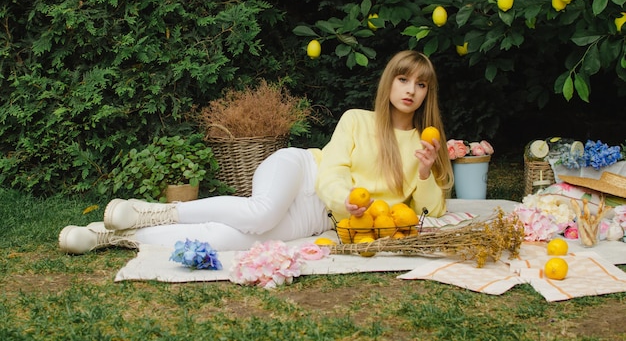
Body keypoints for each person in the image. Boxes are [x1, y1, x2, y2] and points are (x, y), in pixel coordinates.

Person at [59, 50, 454, 254]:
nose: (410, 90)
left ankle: (109, 237)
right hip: (303, 172)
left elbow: (430, 212)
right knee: (260, 213)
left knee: (229, 240)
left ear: (426, 94)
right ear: (389, 84)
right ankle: (153, 210)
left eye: (420, 85)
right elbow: (332, 171)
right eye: (403, 79)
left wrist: (423, 173)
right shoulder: (357, 119)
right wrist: (346, 199)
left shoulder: (425, 145)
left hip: (321, 217)